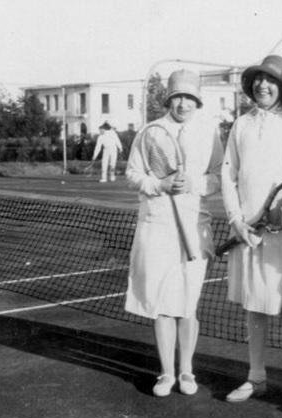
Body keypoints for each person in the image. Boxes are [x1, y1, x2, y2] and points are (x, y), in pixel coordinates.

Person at [220, 55, 282, 404]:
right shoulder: (241, 124)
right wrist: (236, 220)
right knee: (254, 306)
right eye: (259, 79)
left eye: (271, 81)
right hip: (247, 230)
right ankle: (256, 377)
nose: (263, 85)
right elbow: (228, 175)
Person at [124, 69, 223, 397]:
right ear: (169, 99)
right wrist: (160, 184)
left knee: (188, 304)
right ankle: (166, 373)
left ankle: (187, 371)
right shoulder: (151, 131)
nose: (184, 104)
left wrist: (194, 184)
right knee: (164, 304)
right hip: (158, 228)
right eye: (178, 97)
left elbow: (217, 177)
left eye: (190, 98)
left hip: (195, 228)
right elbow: (134, 174)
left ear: (197, 101)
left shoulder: (210, 132)